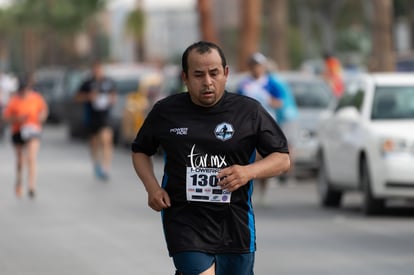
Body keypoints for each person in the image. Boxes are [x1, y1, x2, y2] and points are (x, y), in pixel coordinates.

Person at [131, 41, 290, 275]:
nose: (207, 82)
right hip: (184, 221)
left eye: (214, 73)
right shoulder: (166, 112)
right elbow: (140, 150)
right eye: (198, 75)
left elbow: (282, 159)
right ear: (185, 77)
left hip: (235, 224)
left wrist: (247, 172)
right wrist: (152, 188)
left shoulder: (249, 112)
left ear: (225, 73)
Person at [237, 52, 284, 203]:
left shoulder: (272, 83)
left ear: (263, 67)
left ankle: (263, 193)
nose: (256, 69)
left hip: (267, 126)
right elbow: (237, 104)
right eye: (253, 65)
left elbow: (280, 103)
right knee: (249, 158)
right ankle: (249, 191)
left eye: (258, 65)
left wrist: (268, 99)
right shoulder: (244, 84)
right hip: (247, 126)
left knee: (265, 158)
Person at [2, 73, 48, 198]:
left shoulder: (36, 98)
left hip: (33, 130)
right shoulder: (14, 100)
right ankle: (19, 182)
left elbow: (44, 110)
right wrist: (17, 118)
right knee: (20, 160)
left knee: (31, 158)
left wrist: (41, 117)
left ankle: (31, 186)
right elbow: (5, 117)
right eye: (22, 90)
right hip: (18, 131)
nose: (24, 92)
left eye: (26, 89)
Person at [75, 61, 117, 181]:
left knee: (106, 140)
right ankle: (96, 163)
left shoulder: (109, 82)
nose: (97, 72)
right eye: (95, 69)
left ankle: (106, 168)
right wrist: (89, 97)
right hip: (92, 117)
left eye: (99, 69)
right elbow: (77, 97)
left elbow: (114, 96)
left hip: (105, 117)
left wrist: (111, 99)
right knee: (94, 143)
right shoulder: (87, 83)